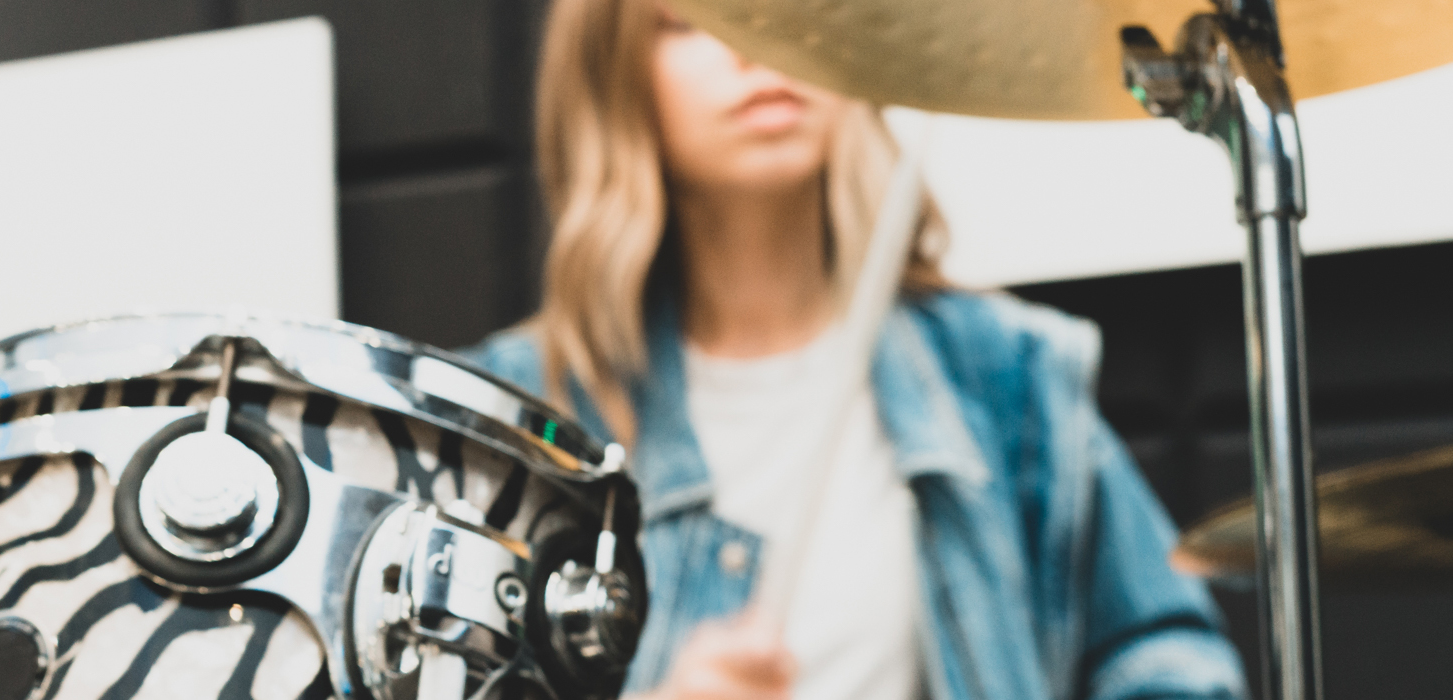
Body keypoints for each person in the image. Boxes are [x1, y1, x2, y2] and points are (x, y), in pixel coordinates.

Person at [465, 1, 1248, 699]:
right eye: (698, 19)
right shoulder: (504, 420)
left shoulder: (1003, 373)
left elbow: (1170, 657)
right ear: (609, 74)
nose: (757, 42)